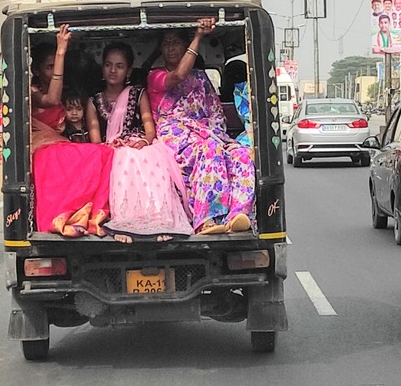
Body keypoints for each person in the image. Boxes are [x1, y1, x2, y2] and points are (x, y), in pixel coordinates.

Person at [147, 19, 254, 235]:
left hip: (206, 133)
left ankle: (236, 217)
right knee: (210, 150)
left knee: (241, 154)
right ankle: (206, 219)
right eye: (166, 43)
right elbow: (177, 76)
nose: (171, 47)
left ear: (184, 46)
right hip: (174, 135)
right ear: (160, 48)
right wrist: (198, 36)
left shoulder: (200, 77)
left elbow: (214, 111)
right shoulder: (155, 76)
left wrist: (219, 136)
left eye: (176, 42)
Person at [86, 42, 194, 243]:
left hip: (140, 143)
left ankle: (159, 222)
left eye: (119, 66)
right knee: (123, 158)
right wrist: (112, 146)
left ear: (128, 71)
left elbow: (149, 127)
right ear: (102, 68)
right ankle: (124, 224)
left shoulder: (138, 93)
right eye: (108, 65)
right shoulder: (94, 100)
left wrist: (144, 141)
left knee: (151, 158)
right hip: (111, 149)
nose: (113, 70)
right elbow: (95, 140)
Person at [30, 25, 113, 237]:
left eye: (56, 66)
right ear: (37, 71)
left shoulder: (71, 91)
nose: (54, 70)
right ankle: (72, 215)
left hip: (60, 145)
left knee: (104, 152)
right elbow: (52, 100)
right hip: (42, 149)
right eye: (49, 67)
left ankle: (92, 214)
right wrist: (60, 50)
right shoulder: (33, 91)